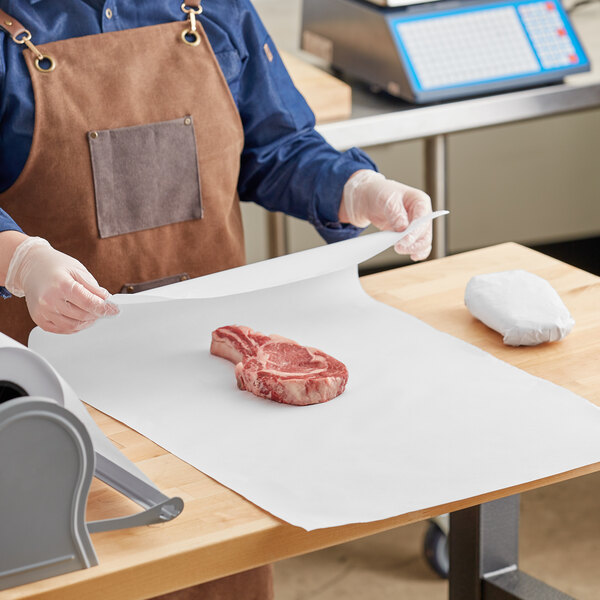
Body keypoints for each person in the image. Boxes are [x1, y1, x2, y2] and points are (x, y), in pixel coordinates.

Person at [0, 1, 432, 598]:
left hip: (206, 377)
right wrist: (19, 260)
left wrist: (357, 190)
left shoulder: (215, 8)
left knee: (217, 561)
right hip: (46, 393)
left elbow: (277, 147)